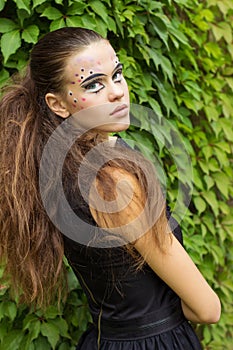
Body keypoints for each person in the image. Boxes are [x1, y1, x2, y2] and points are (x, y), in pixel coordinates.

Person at [0, 27, 221, 350]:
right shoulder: (112, 183)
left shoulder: (55, 167)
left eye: (117, 75)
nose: (117, 92)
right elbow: (207, 308)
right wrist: (169, 312)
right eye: (93, 84)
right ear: (58, 104)